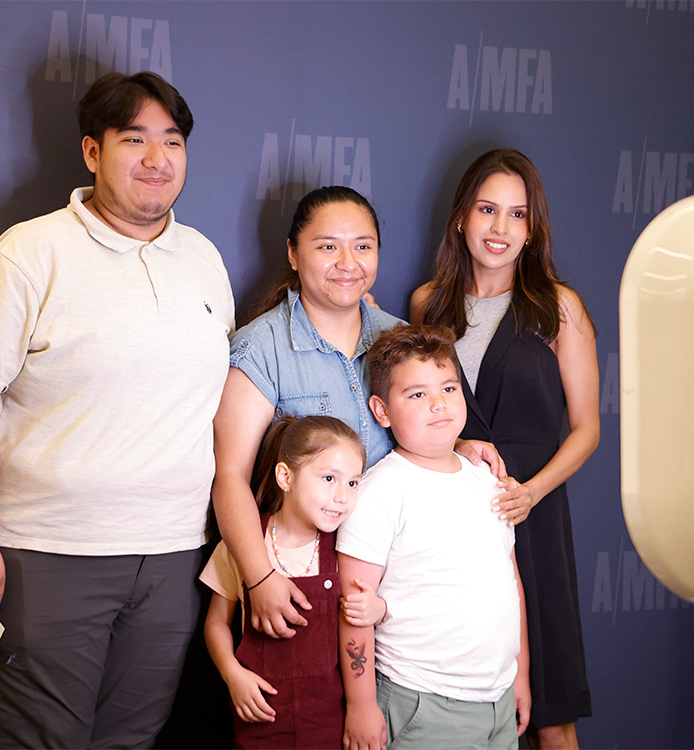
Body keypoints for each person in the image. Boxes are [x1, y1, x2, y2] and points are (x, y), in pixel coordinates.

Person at [0, 71, 235, 748]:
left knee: (131, 739)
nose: (157, 159)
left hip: (171, 554)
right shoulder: (29, 252)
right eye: (135, 139)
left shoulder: (204, 259)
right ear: (92, 152)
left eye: (172, 140)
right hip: (47, 553)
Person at [213, 186, 503, 642]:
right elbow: (230, 475)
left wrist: (458, 446)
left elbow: (417, 430)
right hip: (299, 580)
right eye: (328, 246)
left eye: (362, 247)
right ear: (292, 253)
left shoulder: (400, 337)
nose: (347, 263)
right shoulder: (259, 348)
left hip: (389, 583)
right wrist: (260, 576)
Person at [411, 149, 600, 749]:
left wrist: (532, 492)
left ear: (532, 229)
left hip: (535, 521)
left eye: (517, 215)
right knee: (460, 709)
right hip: (451, 527)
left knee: (550, 715)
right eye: (488, 210)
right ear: (462, 217)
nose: (500, 228)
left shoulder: (559, 308)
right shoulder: (427, 304)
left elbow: (588, 428)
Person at [337, 323, 530, 750]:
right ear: (382, 410)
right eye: (417, 394)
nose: (438, 404)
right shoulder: (380, 491)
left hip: (497, 699)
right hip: (421, 702)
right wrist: (362, 704)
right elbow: (354, 608)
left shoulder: (487, 479)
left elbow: (510, 585)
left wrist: (521, 674)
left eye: (448, 388)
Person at [202, 415, 386, 749]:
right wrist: (232, 674)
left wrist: (380, 608)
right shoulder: (244, 544)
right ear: (286, 477)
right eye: (329, 478)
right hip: (260, 722)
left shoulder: (345, 547)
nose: (343, 496)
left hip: (331, 724)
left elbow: (370, 610)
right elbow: (216, 622)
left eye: (353, 483)